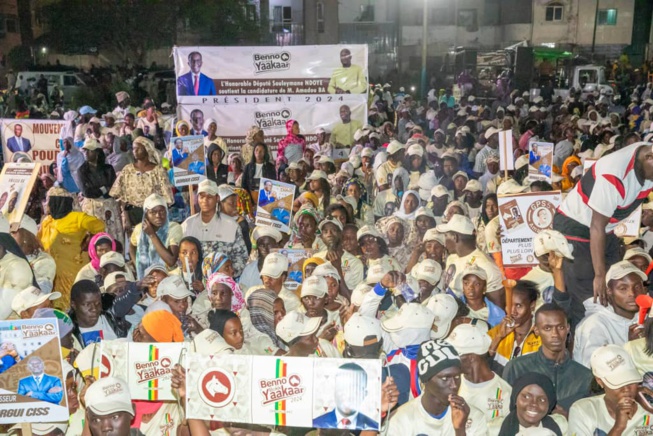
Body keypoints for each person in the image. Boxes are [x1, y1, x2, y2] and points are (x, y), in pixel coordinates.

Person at [553, 141, 653, 327]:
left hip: (605, 230)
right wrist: (599, 275)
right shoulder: (613, 174)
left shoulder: (646, 156)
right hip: (577, 227)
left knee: (616, 290)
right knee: (590, 299)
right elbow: (596, 227)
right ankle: (586, 344)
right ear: (649, 158)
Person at [503, 303, 593, 413]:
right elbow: (506, 413)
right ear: (536, 330)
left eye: (560, 327)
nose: (555, 334)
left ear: (568, 328)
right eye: (547, 328)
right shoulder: (517, 368)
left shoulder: (585, 377)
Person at [387, 339, 486, 434]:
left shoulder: (473, 417)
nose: (454, 385)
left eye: (457, 376)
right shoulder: (400, 420)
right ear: (425, 380)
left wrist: (460, 430)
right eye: (445, 378)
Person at [39, 186, 105, 310]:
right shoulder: (47, 220)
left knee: (75, 304)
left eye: (48, 200)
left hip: (73, 271)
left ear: (57, 202)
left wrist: (89, 240)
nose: (46, 204)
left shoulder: (78, 218)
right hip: (52, 273)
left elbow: (100, 226)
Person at [573, 260, 646, 368]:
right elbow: (595, 370)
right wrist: (629, 347)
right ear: (609, 291)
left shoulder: (647, 318)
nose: (632, 294)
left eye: (637, 287)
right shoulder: (594, 325)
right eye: (623, 288)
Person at [569, 344, 650, 435]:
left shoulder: (648, 411)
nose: (626, 389)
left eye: (630, 381)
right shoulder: (584, 411)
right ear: (599, 381)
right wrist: (618, 428)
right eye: (618, 383)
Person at [447, 323, 513, 423]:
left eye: (454, 354)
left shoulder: (505, 393)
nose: (448, 359)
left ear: (471, 358)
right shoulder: (448, 384)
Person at [181, 180, 249, 277]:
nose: (205, 200)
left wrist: (224, 274)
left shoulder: (231, 226)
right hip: (194, 282)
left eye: (209, 197)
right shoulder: (187, 225)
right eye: (202, 196)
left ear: (217, 198)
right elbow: (180, 257)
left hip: (221, 286)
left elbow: (241, 257)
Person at [109, 136, 174, 228]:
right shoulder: (128, 170)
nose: (134, 151)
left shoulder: (158, 171)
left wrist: (160, 216)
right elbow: (121, 197)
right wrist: (126, 219)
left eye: (138, 148)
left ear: (147, 149)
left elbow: (167, 197)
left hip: (154, 213)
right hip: (133, 214)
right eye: (133, 148)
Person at [78, 138, 122, 244]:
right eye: (85, 151)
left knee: (111, 234)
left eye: (90, 150)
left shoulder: (108, 168)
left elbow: (112, 189)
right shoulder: (82, 170)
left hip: (108, 208)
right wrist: (103, 188)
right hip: (92, 208)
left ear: (97, 152)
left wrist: (98, 189)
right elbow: (87, 192)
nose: (86, 153)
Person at [130, 193, 182, 280]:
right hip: (147, 280)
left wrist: (152, 235)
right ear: (146, 214)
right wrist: (139, 266)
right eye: (153, 212)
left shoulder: (173, 228)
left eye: (162, 211)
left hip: (169, 278)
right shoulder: (139, 229)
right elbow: (132, 247)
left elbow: (171, 261)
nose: (158, 216)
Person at [312, 363, 379, 430]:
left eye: (354, 388)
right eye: (343, 387)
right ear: (334, 389)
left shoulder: (374, 426)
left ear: (364, 394)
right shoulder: (316, 423)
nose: (348, 394)